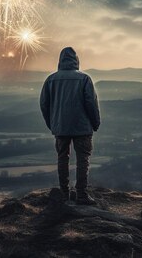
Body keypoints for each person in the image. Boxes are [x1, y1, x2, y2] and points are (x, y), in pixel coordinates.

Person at [40, 47, 101, 205]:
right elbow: (91, 104)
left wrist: (53, 124)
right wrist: (95, 123)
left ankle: (64, 194)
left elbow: (44, 105)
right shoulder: (84, 79)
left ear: (60, 61)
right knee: (83, 160)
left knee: (62, 158)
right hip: (82, 127)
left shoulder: (50, 80)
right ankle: (81, 194)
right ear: (76, 60)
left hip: (60, 127)